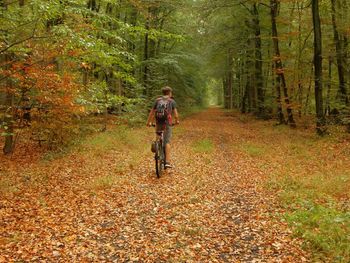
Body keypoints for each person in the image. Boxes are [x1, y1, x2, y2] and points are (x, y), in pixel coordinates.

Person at [146, 86, 179, 169]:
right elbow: (175, 114)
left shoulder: (157, 100)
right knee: (167, 142)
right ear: (170, 93)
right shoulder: (171, 101)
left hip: (158, 122)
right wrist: (177, 121)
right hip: (167, 123)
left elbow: (152, 112)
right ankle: (167, 162)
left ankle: (157, 147)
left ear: (163, 93)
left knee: (158, 136)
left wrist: (148, 122)